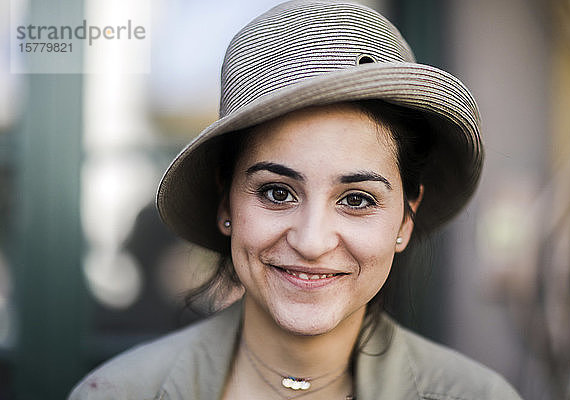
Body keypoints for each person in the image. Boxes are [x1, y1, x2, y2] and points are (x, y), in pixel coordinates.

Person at [69, 1, 523, 399]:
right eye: (277, 192)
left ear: (405, 219)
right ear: (227, 204)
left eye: (358, 199)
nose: (311, 240)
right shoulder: (117, 393)